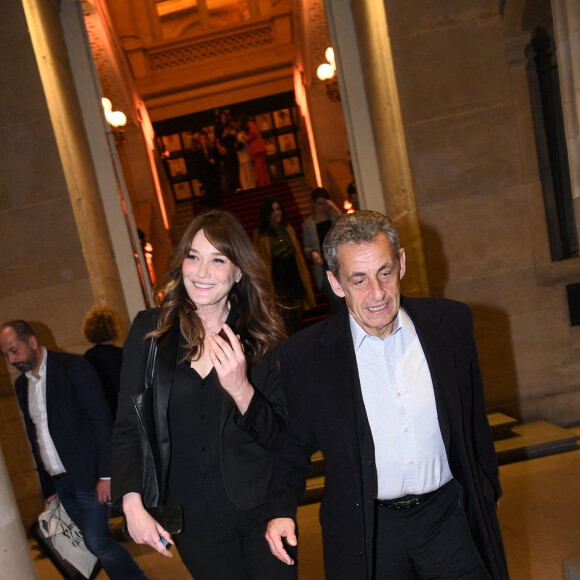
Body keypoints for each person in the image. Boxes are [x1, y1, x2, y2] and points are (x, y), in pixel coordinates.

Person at [265, 210, 509, 580]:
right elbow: (292, 445)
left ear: (401, 263)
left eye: (384, 273)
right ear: (335, 283)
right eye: (358, 280)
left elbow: (474, 419)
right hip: (369, 532)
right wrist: (281, 508)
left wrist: (486, 492)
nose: (377, 294)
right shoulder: (307, 357)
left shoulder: (451, 324)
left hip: (448, 519)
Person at [112, 210, 297, 580]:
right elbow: (128, 429)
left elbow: (281, 437)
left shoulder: (262, 338)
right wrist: (131, 503)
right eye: (193, 257)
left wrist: (241, 389)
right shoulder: (150, 334)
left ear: (238, 272)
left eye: (218, 260)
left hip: (262, 514)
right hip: (193, 522)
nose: (201, 271)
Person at [0, 320, 147, 580]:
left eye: (15, 350)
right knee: (93, 545)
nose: (12, 359)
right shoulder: (22, 386)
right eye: (6, 354)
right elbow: (37, 439)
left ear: (32, 342)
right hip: (61, 484)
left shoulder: (72, 367)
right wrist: (49, 489)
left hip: (88, 477)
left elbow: (100, 421)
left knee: (98, 542)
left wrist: (106, 475)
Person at [253, 198, 316, 335]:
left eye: (278, 209)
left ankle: (298, 332)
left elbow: (297, 252)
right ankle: (290, 336)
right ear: (267, 214)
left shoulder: (288, 228)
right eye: (273, 210)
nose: (277, 213)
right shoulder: (260, 234)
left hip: (293, 269)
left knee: (298, 306)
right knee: (284, 310)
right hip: (276, 273)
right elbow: (259, 258)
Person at [302, 187, 344, 314]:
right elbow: (307, 247)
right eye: (319, 204)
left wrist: (334, 207)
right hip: (324, 265)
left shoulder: (333, 218)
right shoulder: (308, 224)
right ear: (314, 204)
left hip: (339, 261)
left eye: (325, 203)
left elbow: (347, 225)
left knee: (346, 298)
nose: (322, 207)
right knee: (336, 298)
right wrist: (313, 253)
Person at [83, 305, 123, 420]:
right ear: (113, 328)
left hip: (104, 415)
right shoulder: (124, 354)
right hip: (126, 413)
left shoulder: (87, 358)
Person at [241, 114, 270, 187]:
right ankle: (267, 183)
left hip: (257, 150)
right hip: (260, 148)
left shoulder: (249, 124)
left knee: (259, 169)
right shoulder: (252, 123)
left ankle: (262, 184)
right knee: (263, 168)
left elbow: (254, 133)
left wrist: (246, 138)